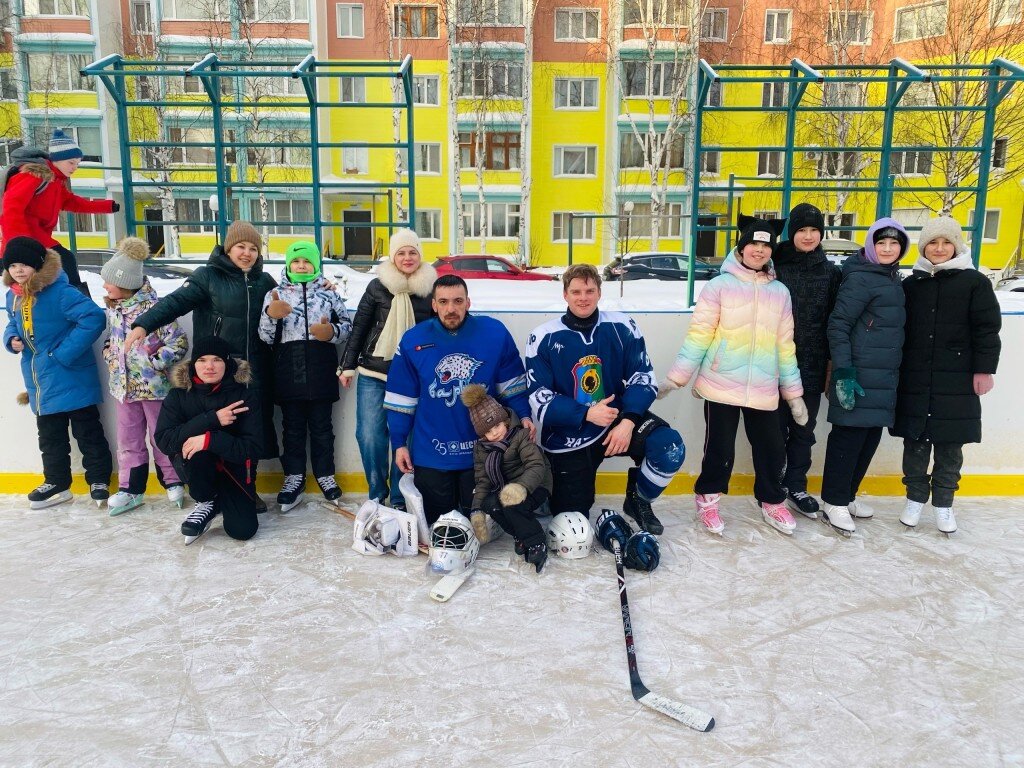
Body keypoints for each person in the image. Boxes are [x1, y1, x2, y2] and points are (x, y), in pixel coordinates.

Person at [658, 216, 807, 536]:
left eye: (766, 245)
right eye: (753, 243)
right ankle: (708, 498)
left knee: (771, 447)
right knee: (719, 448)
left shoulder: (780, 292)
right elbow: (699, 335)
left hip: (764, 386)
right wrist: (677, 377)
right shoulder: (719, 287)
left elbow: (785, 345)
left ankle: (771, 499)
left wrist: (793, 394)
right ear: (741, 247)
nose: (759, 250)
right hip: (720, 383)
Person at [525, 263, 682, 535]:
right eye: (576, 291)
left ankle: (639, 501)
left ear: (599, 292)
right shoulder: (543, 336)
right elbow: (539, 398)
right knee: (571, 518)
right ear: (565, 294)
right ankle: (552, 495)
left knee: (669, 448)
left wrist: (630, 420)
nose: (583, 297)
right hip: (569, 433)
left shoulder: (623, 325)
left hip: (617, 420)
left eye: (589, 290)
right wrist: (585, 414)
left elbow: (642, 377)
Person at [126, 220, 278, 497]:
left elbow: (288, 300)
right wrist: (143, 324)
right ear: (228, 248)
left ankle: (246, 488)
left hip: (253, 370)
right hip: (215, 369)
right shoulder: (207, 277)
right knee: (212, 425)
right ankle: (208, 491)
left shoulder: (264, 281)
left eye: (253, 248)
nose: (247, 253)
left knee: (248, 430)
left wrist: (323, 285)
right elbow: (176, 302)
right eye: (241, 246)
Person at [383, 274, 533, 525]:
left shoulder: (494, 333)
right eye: (443, 302)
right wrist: (399, 442)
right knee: (439, 523)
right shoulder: (414, 339)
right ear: (434, 305)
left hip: (484, 451)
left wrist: (525, 415)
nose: (450, 309)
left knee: (478, 521)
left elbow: (511, 385)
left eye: (457, 301)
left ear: (468, 303)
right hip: (432, 452)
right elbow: (402, 396)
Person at [891, 217, 1001, 533]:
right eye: (933, 243)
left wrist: (984, 369)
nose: (939, 248)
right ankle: (914, 498)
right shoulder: (912, 284)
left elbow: (987, 329)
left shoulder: (974, 282)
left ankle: (943, 504)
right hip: (915, 375)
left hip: (957, 378)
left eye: (946, 242)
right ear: (924, 247)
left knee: (950, 444)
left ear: (956, 246)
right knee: (914, 441)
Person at [2, 236, 112, 508]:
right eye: (12, 265)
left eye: (24, 264)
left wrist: (64, 353)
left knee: (88, 432)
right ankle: (57, 483)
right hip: (40, 381)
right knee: (50, 437)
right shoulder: (13, 295)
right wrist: (11, 338)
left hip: (72, 375)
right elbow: (14, 324)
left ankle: (98, 479)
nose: (18, 270)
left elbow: (93, 318)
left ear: (38, 265)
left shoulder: (60, 292)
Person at [819, 218, 909, 535]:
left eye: (894, 243)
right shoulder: (860, 278)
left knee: (869, 438)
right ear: (870, 246)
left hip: (883, 375)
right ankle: (833, 501)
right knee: (848, 438)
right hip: (857, 373)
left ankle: (847, 496)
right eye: (881, 243)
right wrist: (842, 372)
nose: (887, 248)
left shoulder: (890, 277)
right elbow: (838, 325)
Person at [339, 228, 436, 508]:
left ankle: (398, 497)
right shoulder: (377, 287)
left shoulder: (431, 287)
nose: (407, 257)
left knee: (406, 439)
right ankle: (377, 493)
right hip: (374, 373)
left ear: (420, 254)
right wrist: (347, 365)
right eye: (401, 253)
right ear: (393, 257)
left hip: (414, 378)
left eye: (412, 252)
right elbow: (360, 327)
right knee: (370, 436)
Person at [259, 240, 352, 511]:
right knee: (293, 428)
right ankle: (293, 477)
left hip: (321, 366)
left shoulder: (329, 293)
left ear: (315, 264)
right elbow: (264, 336)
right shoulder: (275, 293)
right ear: (288, 265)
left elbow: (347, 326)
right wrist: (270, 315)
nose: (301, 265)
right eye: (296, 261)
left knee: (323, 427)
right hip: (289, 367)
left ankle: (325, 475)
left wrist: (331, 333)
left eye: (307, 261)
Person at [100, 236, 190, 515]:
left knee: (160, 437)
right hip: (123, 389)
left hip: (155, 389)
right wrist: (109, 354)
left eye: (109, 281)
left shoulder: (155, 311)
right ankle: (131, 488)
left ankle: (173, 481)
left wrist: (155, 361)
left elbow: (179, 343)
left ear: (125, 283)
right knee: (128, 441)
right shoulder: (115, 311)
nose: (104, 286)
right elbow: (112, 341)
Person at [155, 336, 263, 543]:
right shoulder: (178, 396)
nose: (209, 366)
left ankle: (224, 501)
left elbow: (254, 447)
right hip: (199, 471)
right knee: (198, 452)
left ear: (228, 363)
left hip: (235, 471)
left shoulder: (245, 396)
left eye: (217, 360)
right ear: (194, 364)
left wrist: (210, 439)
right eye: (202, 360)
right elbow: (164, 440)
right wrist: (210, 420)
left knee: (242, 531)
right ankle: (205, 500)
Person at [772, 203, 841, 519]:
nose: (809, 235)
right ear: (792, 233)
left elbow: (835, 320)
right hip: (773, 364)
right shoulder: (776, 266)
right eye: (802, 229)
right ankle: (772, 486)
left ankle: (796, 484)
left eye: (814, 230)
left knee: (803, 429)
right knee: (772, 430)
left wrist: (830, 363)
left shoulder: (831, 272)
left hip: (812, 365)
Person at [0, 130, 119, 288]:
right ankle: (77, 303)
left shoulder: (54, 181)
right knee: (65, 260)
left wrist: (106, 206)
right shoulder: (33, 175)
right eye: (71, 162)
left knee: (55, 267)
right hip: (25, 235)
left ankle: (69, 301)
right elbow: (11, 209)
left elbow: (72, 202)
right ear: (56, 159)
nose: (75, 167)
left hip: (36, 236)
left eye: (77, 163)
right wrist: (20, 243)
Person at [461, 383, 552, 572]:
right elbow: (483, 480)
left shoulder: (520, 436)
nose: (494, 433)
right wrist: (476, 510)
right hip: (507, 488)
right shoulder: (482, 449)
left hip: (535, 484)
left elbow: (536, 465)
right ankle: (520, 534)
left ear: (505, 420)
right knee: (490, 503)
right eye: (487, 431)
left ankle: (536, 541)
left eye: (496, 425)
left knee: (512, 503)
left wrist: (521, 488)